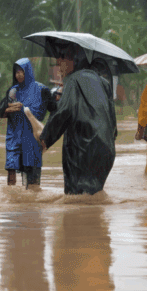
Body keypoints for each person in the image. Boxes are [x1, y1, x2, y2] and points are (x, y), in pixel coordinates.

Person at [38, 44, 117, 195]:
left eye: (62, 59)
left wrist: (45, 140)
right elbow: (112, 121)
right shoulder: (104, 83)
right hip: (106, 150)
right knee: (94, 195)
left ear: (74, 60)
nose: (59, 64)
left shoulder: (73, 80)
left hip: (83, 148)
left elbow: (64, 112)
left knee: (75, 197)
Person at [0, 58, 56, 188]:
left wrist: (47, 133)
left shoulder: (42, 90)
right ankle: (11, 198)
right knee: (11, 173)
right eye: (16, 72)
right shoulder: (12, 91)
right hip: (14, 138)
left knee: (32, 180)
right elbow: (0, 112)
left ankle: (31, 199)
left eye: (21, 71)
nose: (18, 75)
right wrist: (8, 109)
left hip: (32, 139)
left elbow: (55, 111)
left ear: (27, 71)